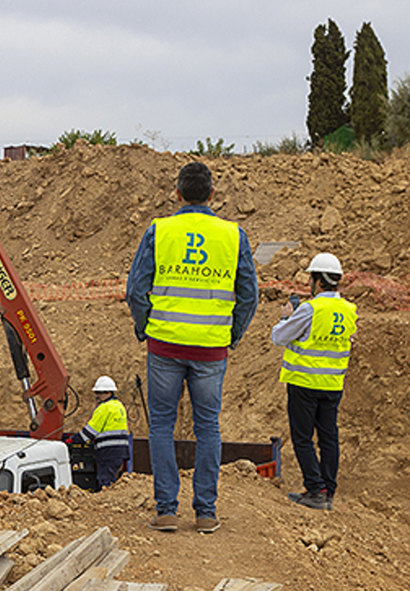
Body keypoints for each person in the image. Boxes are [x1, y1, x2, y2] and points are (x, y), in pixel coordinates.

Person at [126, 162, 258, 534]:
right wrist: (230, 334)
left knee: (162, 426)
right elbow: (249, 296)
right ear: (212, 195)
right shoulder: (234, 235)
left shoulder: (160, 230)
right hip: (210, 351)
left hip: (164, 345)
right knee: (208, 428)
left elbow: (135, 291)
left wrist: (145, 327)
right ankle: (206, 513)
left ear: (178, 194)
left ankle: (167, 510)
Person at [272, 253, 357, 510]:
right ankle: (328, 490)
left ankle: (315, 488)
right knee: (329, 437)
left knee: (303, 438)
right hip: (332, 385)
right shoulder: (348, 309)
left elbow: (279, 337)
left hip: (305, 382)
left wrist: (287, 316)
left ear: (318, 281)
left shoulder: (311, 309)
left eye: (311, 278)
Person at [75, 376, 130, 488]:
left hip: (108, 453)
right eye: (96, 393)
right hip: (120, 452)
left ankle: (106, 504)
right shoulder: (119, 406)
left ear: (108, 393)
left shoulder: (104, 408)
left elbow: (89, 432)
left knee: (105, 481)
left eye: (99, 393)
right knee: (111, 480)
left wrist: (73, 440)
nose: (96, 396)